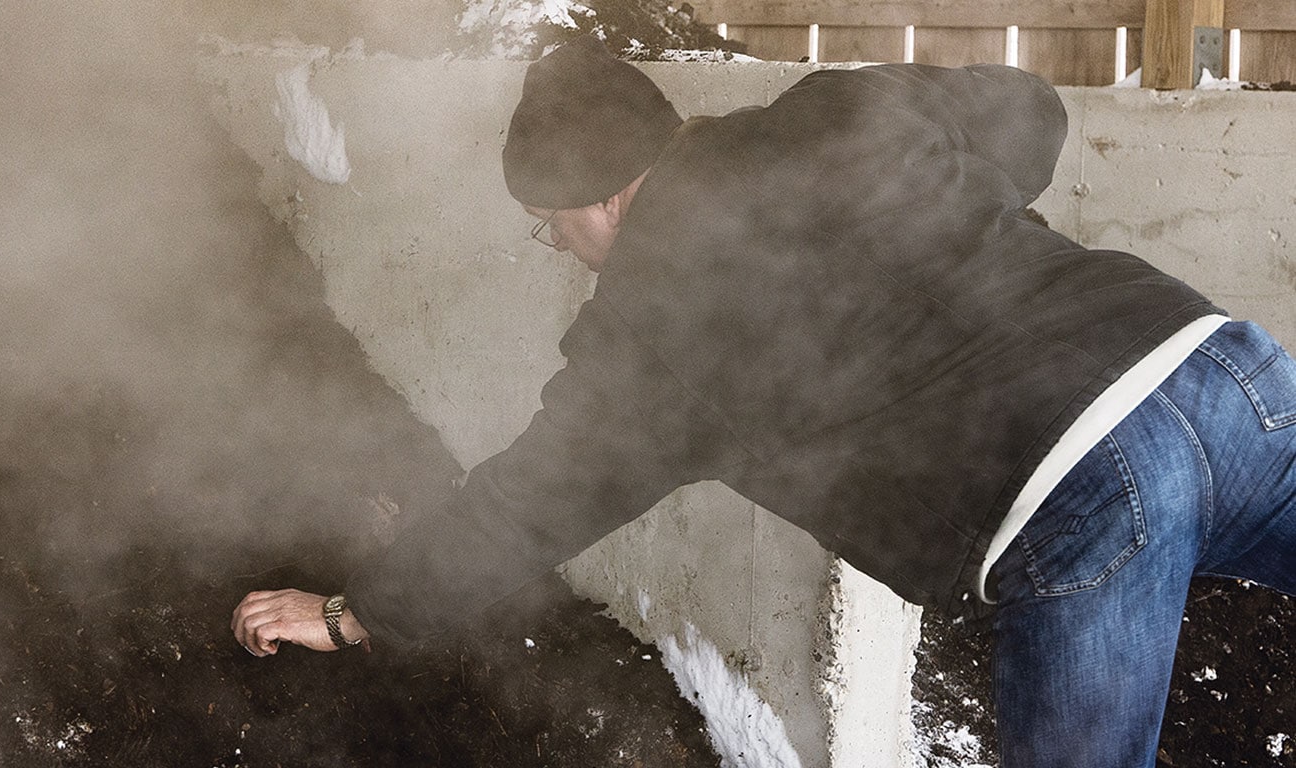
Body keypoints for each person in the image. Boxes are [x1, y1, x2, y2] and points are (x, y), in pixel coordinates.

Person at [232, 36, 1296, 767]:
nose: (556, 248)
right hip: (1214, 366)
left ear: (599, 197)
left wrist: (354, 611)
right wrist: (956, 217)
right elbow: (1029, 107)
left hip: (1079, 493)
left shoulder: (655, 332)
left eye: (549, 226)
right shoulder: (838, 109)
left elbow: (528, 503)